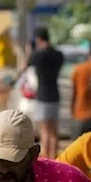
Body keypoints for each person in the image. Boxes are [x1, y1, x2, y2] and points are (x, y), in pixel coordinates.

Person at [26, 27, 66, 159]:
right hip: (55, 94)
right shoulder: (58, 54)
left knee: (44, 131)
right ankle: (54, 158)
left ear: (38, 39)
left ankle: (46, 159)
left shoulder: (39, 55)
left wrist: (29, 50)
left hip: (43, 95)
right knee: (54, 131)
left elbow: (27, 63)